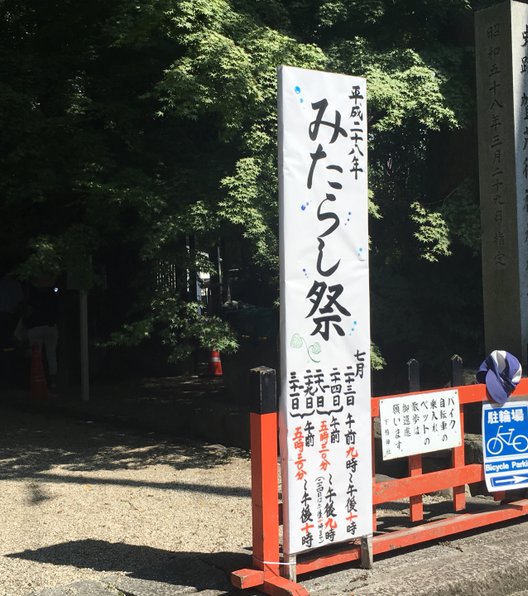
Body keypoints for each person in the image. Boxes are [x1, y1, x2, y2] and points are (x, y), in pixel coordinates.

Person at [25, 274, 59, 390]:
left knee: (36, 356)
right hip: (50, 327)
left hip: (36, 327)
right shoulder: (53, 296)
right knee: (51, 354)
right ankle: (53, 382)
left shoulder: (33, 297)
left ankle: (37, 381)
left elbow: (28, 312)